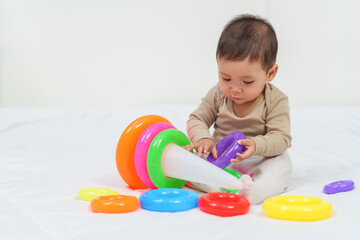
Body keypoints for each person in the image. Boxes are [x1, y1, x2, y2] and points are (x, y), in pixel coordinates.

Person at [184, 14, 292, 205]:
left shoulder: (275, 100)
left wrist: (256, 145)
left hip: (260, 158)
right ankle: (222, 184)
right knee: (189, 159)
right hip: (219, 159)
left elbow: (281, 138)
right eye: (226, 78)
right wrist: (203, 139)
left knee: (280, 167)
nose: (234, 88)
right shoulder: (218, 94)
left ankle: (252, 191)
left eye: (247, 82)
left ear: (270, 73)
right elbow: (197, 119)